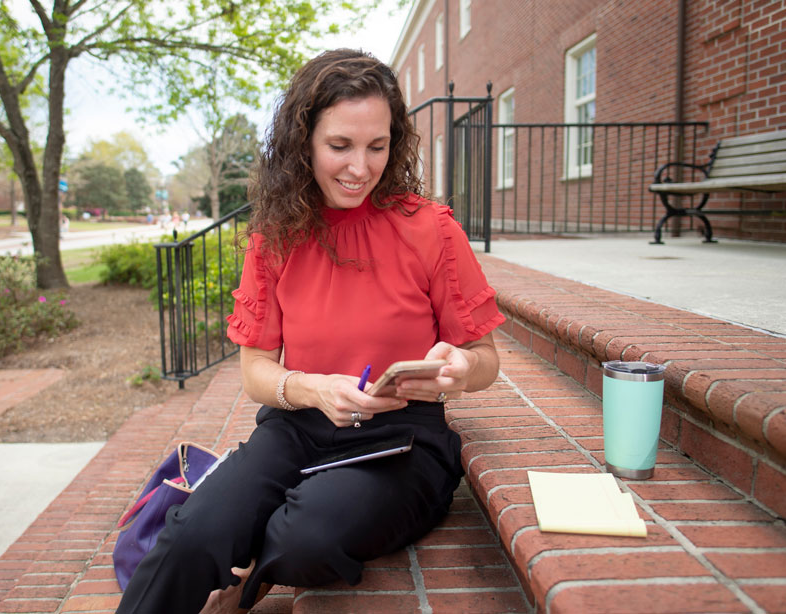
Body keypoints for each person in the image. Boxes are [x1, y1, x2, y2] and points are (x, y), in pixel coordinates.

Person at [116, 48, 504, 614]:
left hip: (401, 443)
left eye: (377, 146)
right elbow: (255, 372)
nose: (360, 167)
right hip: (296, 428)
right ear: (305, 143)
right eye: (339, 146)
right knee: (194, 534)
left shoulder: (432, 230)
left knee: (309, 536)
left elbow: (486, 358)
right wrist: (315, 389)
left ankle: (252, 576)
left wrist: (463, 369)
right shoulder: (275, 235)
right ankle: (242, 534)